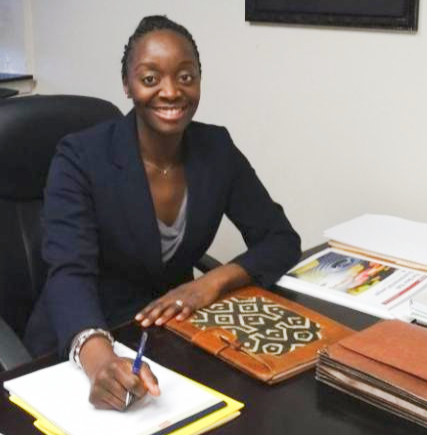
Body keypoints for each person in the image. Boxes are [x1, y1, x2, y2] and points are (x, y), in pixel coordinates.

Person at [22, 15, 301, 411]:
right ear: (127, 85)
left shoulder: (216, 149)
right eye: (151, 79)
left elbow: (280, 239)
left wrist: (211, 283)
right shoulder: (81, 157)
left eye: (185, 77)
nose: (171, 92)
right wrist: (100, 360)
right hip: (84, 338)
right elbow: (69, 273)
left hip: (170, 335)